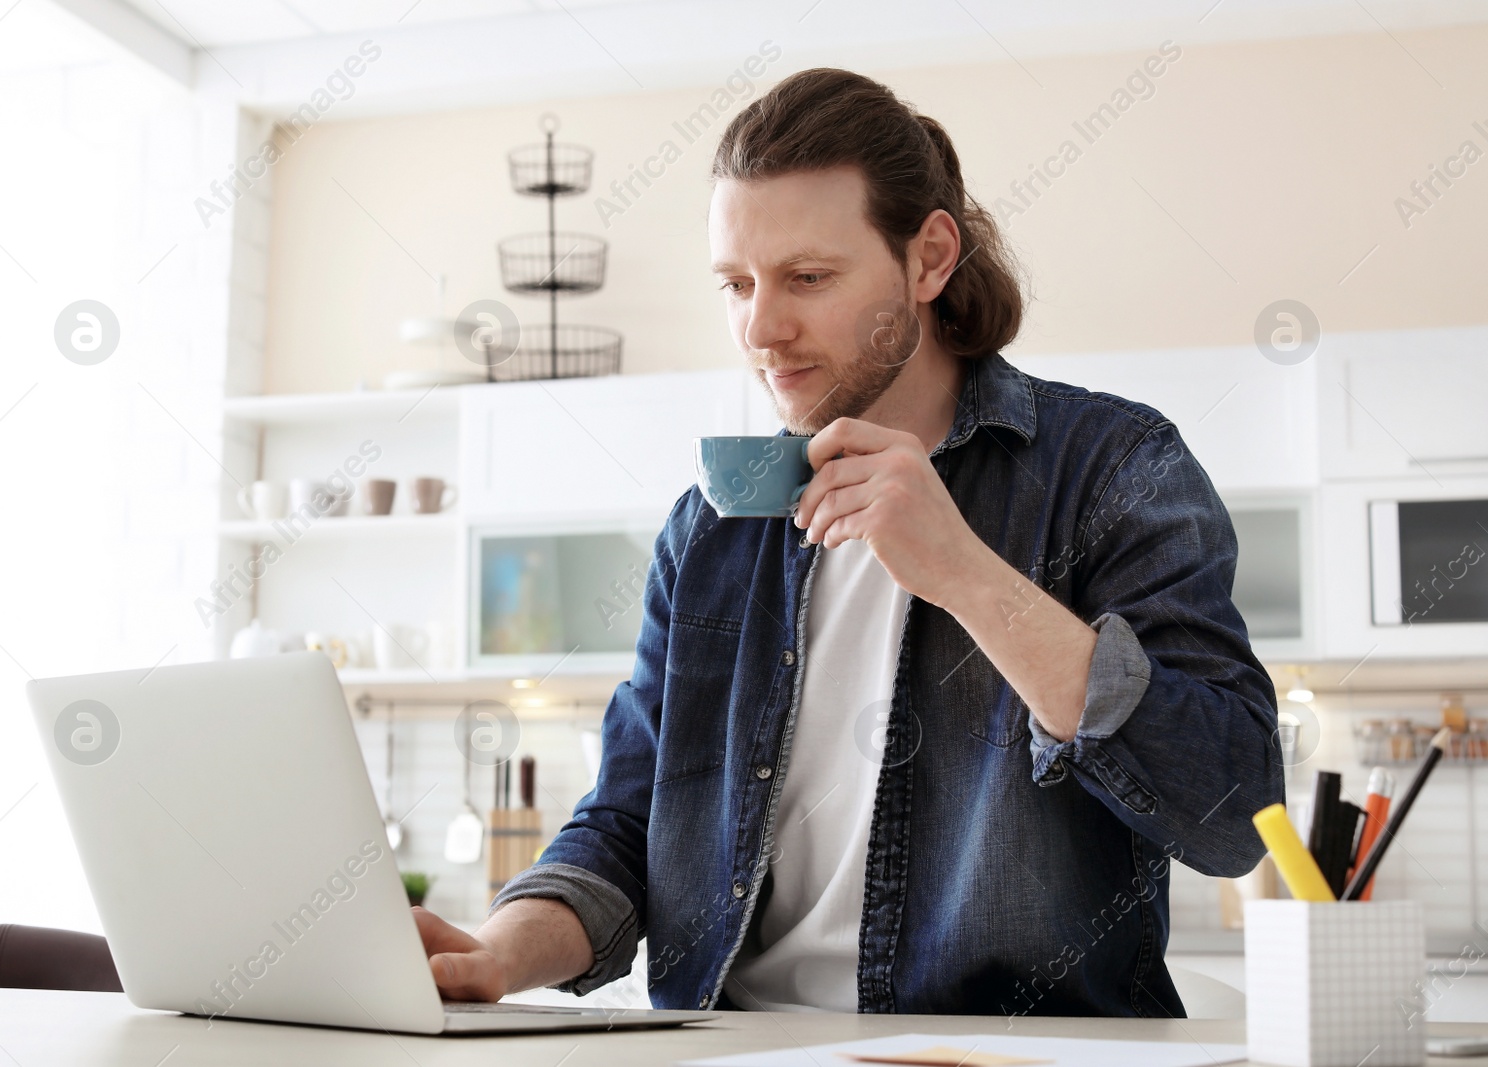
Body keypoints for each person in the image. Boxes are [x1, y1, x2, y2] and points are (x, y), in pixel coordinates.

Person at [411, 67, 1282, 1017]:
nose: (761, 328)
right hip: (726, 1044)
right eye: (735, 284)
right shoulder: (711, 525)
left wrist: (963, 572)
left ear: (929, 258)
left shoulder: (1113, 468)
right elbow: (629, 818)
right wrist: (494, 954)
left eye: (808, 278)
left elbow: (1234, 812)